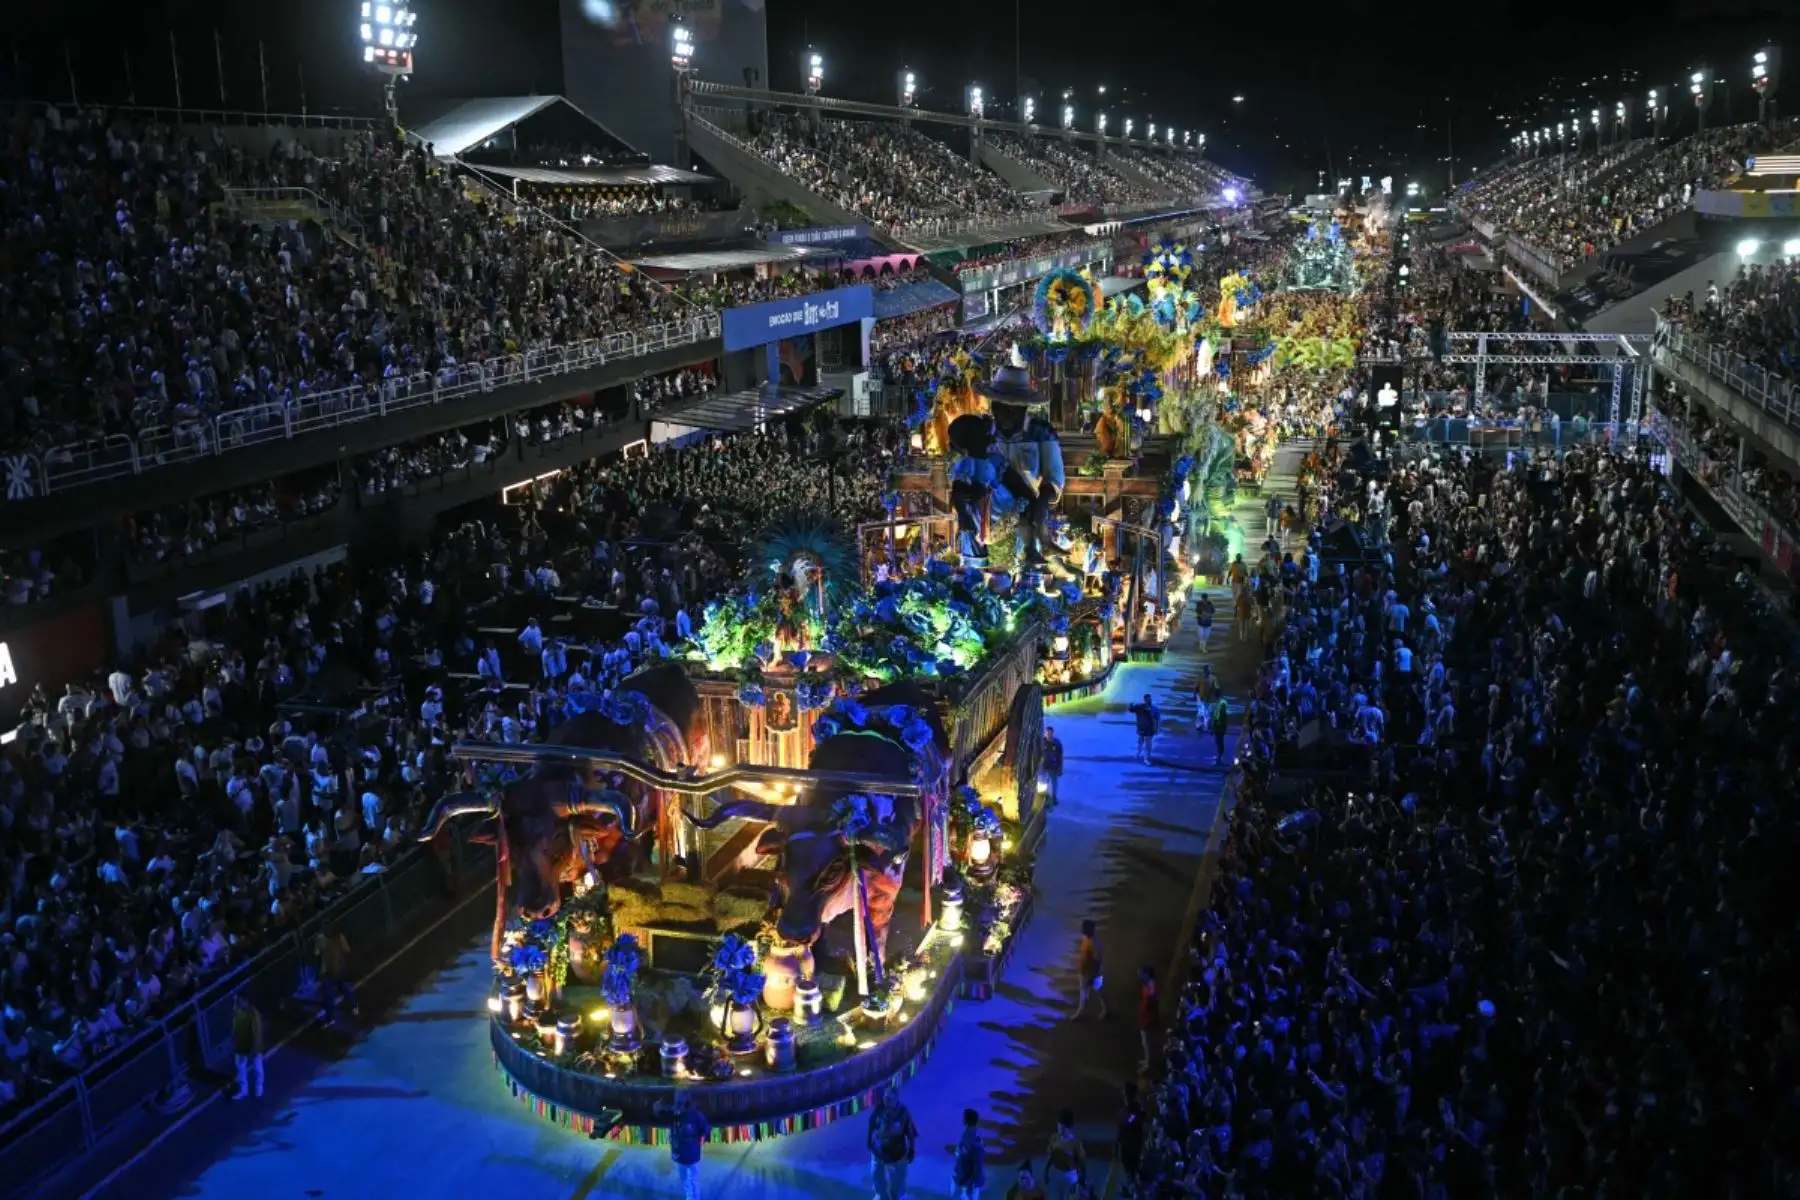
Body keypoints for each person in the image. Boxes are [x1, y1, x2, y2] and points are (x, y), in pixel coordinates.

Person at [655, 1091, 710, 1200]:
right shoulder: (675, 1114)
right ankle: (690, 1197)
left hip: (690, 1154)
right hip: (681, 1153)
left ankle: (693, 1198)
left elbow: (705, 1130)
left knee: (692, 1179)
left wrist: (698, 1141)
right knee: (686, 1179)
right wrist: (657, 1107)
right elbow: (660, 1114)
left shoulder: (695, 1115)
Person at [867, 1084, 917, 1200]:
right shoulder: (879, 1109)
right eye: (885, 1098)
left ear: (896, 1099)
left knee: (898, 1181)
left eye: (889, 1099)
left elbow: (911, 1133)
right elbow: (871, 1125)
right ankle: (880, 1195)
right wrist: (869, 1142)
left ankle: (898, 1196)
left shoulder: (903, 1113)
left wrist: (912, 1150)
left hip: (897, 1154)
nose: (886, 1101)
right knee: (877, 1176)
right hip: (879, 1152)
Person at [313, 926, 357, 1024]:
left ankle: (330, 1018)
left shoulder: (320, 939)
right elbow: (347, 950)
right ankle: (354, 1006)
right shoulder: (338, 937)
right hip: (338, 969)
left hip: (330, 971)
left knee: (330, 995)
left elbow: (316, 954)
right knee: (343, 989)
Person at [1044, 1110, 1087, 1200]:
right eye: (1059, 1126)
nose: (1060, 1130)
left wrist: (1082, 1181)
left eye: (1063, 1127)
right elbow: (1051, 1157)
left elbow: (1082, 1163)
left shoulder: (1075, 1143)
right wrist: (1046, 1171)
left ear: (1069, 1128)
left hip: (1069, 1175)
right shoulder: (1054, 1138)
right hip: (1056, 1173)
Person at [230, 994, 265, 1100]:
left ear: (246, 1001)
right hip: (242, 1042)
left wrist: (254, 1046)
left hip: (253, 1043)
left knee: (257, 1065)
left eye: (240, 1001)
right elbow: (235, 1028)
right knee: (240, 1066)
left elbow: (256, 1032)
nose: (238, 1003)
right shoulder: (237, 1012)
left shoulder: (254, 1014)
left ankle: (259, 1086)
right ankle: (243, 1089)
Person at [1114, 1081, 1146, 1197]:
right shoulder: (1135, 1109)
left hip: (1131, 1146)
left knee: (1131, 1172)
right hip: (1130, 1145)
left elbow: (1127, 1124)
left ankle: (1135, 1193)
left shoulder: (1135, 1110)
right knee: (1131, 1172)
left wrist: (1124, 1118)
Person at [1074, 918, 1106, 1019]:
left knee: (1096, 991)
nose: (1081, 929)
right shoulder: (1088, 938)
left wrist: (1095, 972)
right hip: (1086, 971)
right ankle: (1082, 1010)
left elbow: (1098, 958)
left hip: (1091, 973)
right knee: (1086, 991)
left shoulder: (1092, 942)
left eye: (1083, 927)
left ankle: (1103, 1009)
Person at [952, 1107, 986, 1200]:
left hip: (968, 1183)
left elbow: (977, 1165)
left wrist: (970, 1184)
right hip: (964, 1180)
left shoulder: (974, 1139)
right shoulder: (968, 1135)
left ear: (966, 1120)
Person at [1136, 965, 1158, 1069]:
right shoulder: (1148, 985)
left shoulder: (1151, 987)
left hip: (1148, 1016)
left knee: (1146, 1041)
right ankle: (1147, 1060)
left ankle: (1149, 1063)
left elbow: (1151, 1002)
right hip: (1145, 1014)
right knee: (1145, 1040)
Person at [1128, 693, 1160, 764]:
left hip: (1149, 729)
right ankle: (1139, 753)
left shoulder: (1154, 709)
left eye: (1149, 699)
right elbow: (1131, 710)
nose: (1148, 701)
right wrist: (1131, 705)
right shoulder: (1139, 707)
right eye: (1147, 699)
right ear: (1144, 700)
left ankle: (1146, 758)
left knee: (1147, 744)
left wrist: (1157, 729)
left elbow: (1157, 719)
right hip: (1142, 728)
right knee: (1141, 741)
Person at [1041, 726, 1064, 808]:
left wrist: (1061, 768)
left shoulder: (1057, 743)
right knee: (1044, 783)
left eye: (1050, 733)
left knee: (1054, 783)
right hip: (1044, 766)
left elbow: (1060, 756)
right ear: (1045, 733)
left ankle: (1054, 798)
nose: (1048, 734)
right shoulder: (1042, 742)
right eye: (1047, 733)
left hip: (1053, 767)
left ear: (1052, 733)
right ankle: (1046, 798)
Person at [1208, 693, 1230, 766]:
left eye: (1213, 696)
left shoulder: (1222, 703)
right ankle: (1219, 756)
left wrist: (1217, 724)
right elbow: (1213, 715)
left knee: (1219, 741)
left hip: (1220, 726)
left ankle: (1220, 757)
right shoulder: (1217, 703)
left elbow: (1222, 715)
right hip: (1217, 725)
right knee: (1218, 741)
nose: (1212, 698)